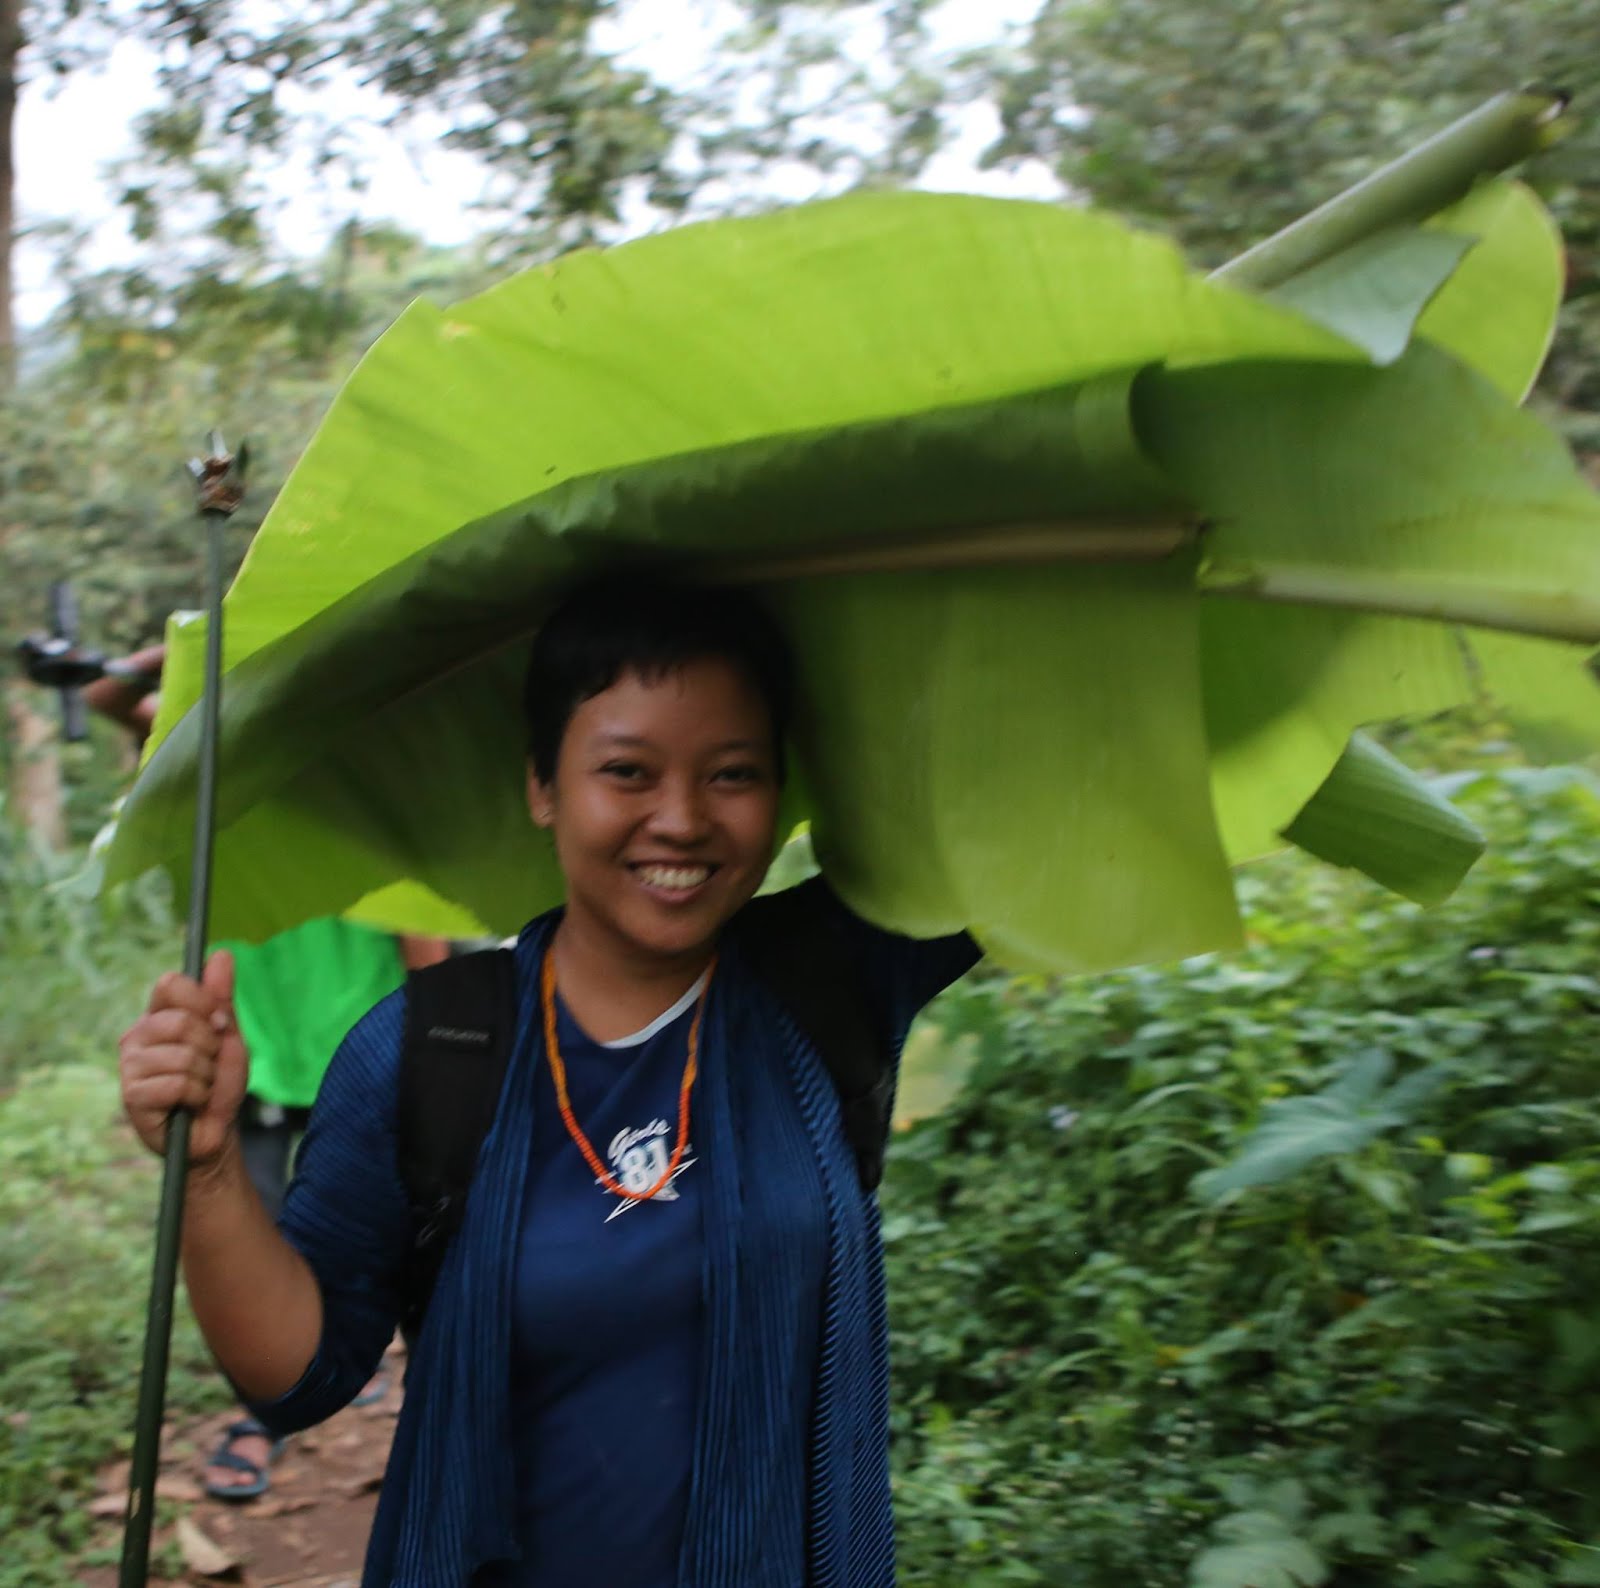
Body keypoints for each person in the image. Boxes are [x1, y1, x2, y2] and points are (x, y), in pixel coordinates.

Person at [118, 577, 981, 1585]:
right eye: (626, 770)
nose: (681, 819)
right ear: (542, 784)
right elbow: (300, 1378)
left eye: (733, 773)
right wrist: (213, 1168)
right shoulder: (432, 1047)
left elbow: (1009, 785)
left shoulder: (832, 976)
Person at [83, 647, 445, 1499]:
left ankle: (420, 1395)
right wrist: (192, 645)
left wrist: (439, 1045)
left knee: (406, 1232)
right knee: (254, 1234)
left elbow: (418, 929)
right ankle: (267, 1412)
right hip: (247, 1055)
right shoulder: (207, 761)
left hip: (359, 1056)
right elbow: (107, 693)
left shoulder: (354, 777)